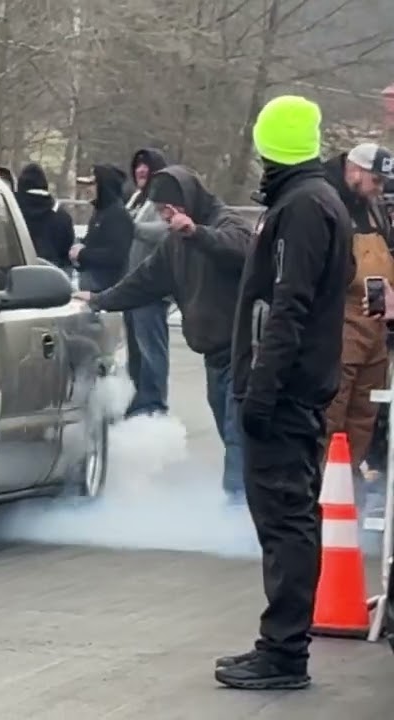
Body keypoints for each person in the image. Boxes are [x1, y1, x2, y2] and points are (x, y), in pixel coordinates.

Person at [217, 95, 351, 691]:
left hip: (285, 394)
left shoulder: (300, 208)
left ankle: (284, 649)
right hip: (296, 388)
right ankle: (281, 643)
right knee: (288, 519)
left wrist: (261, 394)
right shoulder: (314, 201)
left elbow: (286, 308)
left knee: (286, 520)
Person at [74, 165, 253, 501]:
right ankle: (247, 500)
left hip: (243, 352)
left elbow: (242, 249)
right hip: (213, 354)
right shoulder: (174, 245)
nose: (167, 218)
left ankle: (238, 507)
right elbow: (143, 282)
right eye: (161, 212)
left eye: (170, 211)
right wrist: (99, 300)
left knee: (237, 433)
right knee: (229, 428)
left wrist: (197, 232)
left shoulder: (226, 223)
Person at [319, 143, 394, 512]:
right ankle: (321, 497)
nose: (379, 188)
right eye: (375, 180)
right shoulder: (324, 201)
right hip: (340, 324)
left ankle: (347, 493)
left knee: (365, 415)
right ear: (354, 170)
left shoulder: (375, 208)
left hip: (377, 325)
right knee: (332, 413)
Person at [123, 148, 172, 417]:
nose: (141, 170)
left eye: (146, 165)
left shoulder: (163, 199)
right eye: (137, 165)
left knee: (151, 348)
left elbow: (166, 231)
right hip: (132, 287)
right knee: (136, 350)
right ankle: (140, 397)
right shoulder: (137, 199)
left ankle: (154, 403)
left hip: (152, 288)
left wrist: (132, 227)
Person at [69, 165, 132, 292]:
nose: (88, 189)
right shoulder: (100, 212)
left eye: (92, 184)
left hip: (106, 290)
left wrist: (82, 254)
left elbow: (115, 255)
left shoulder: (117, 215)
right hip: (91, 286)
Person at [14, 163, 75, 269]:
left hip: (15, 272)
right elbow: (66, 253)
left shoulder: (11, 212)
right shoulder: (62, 216)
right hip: (53, 274)